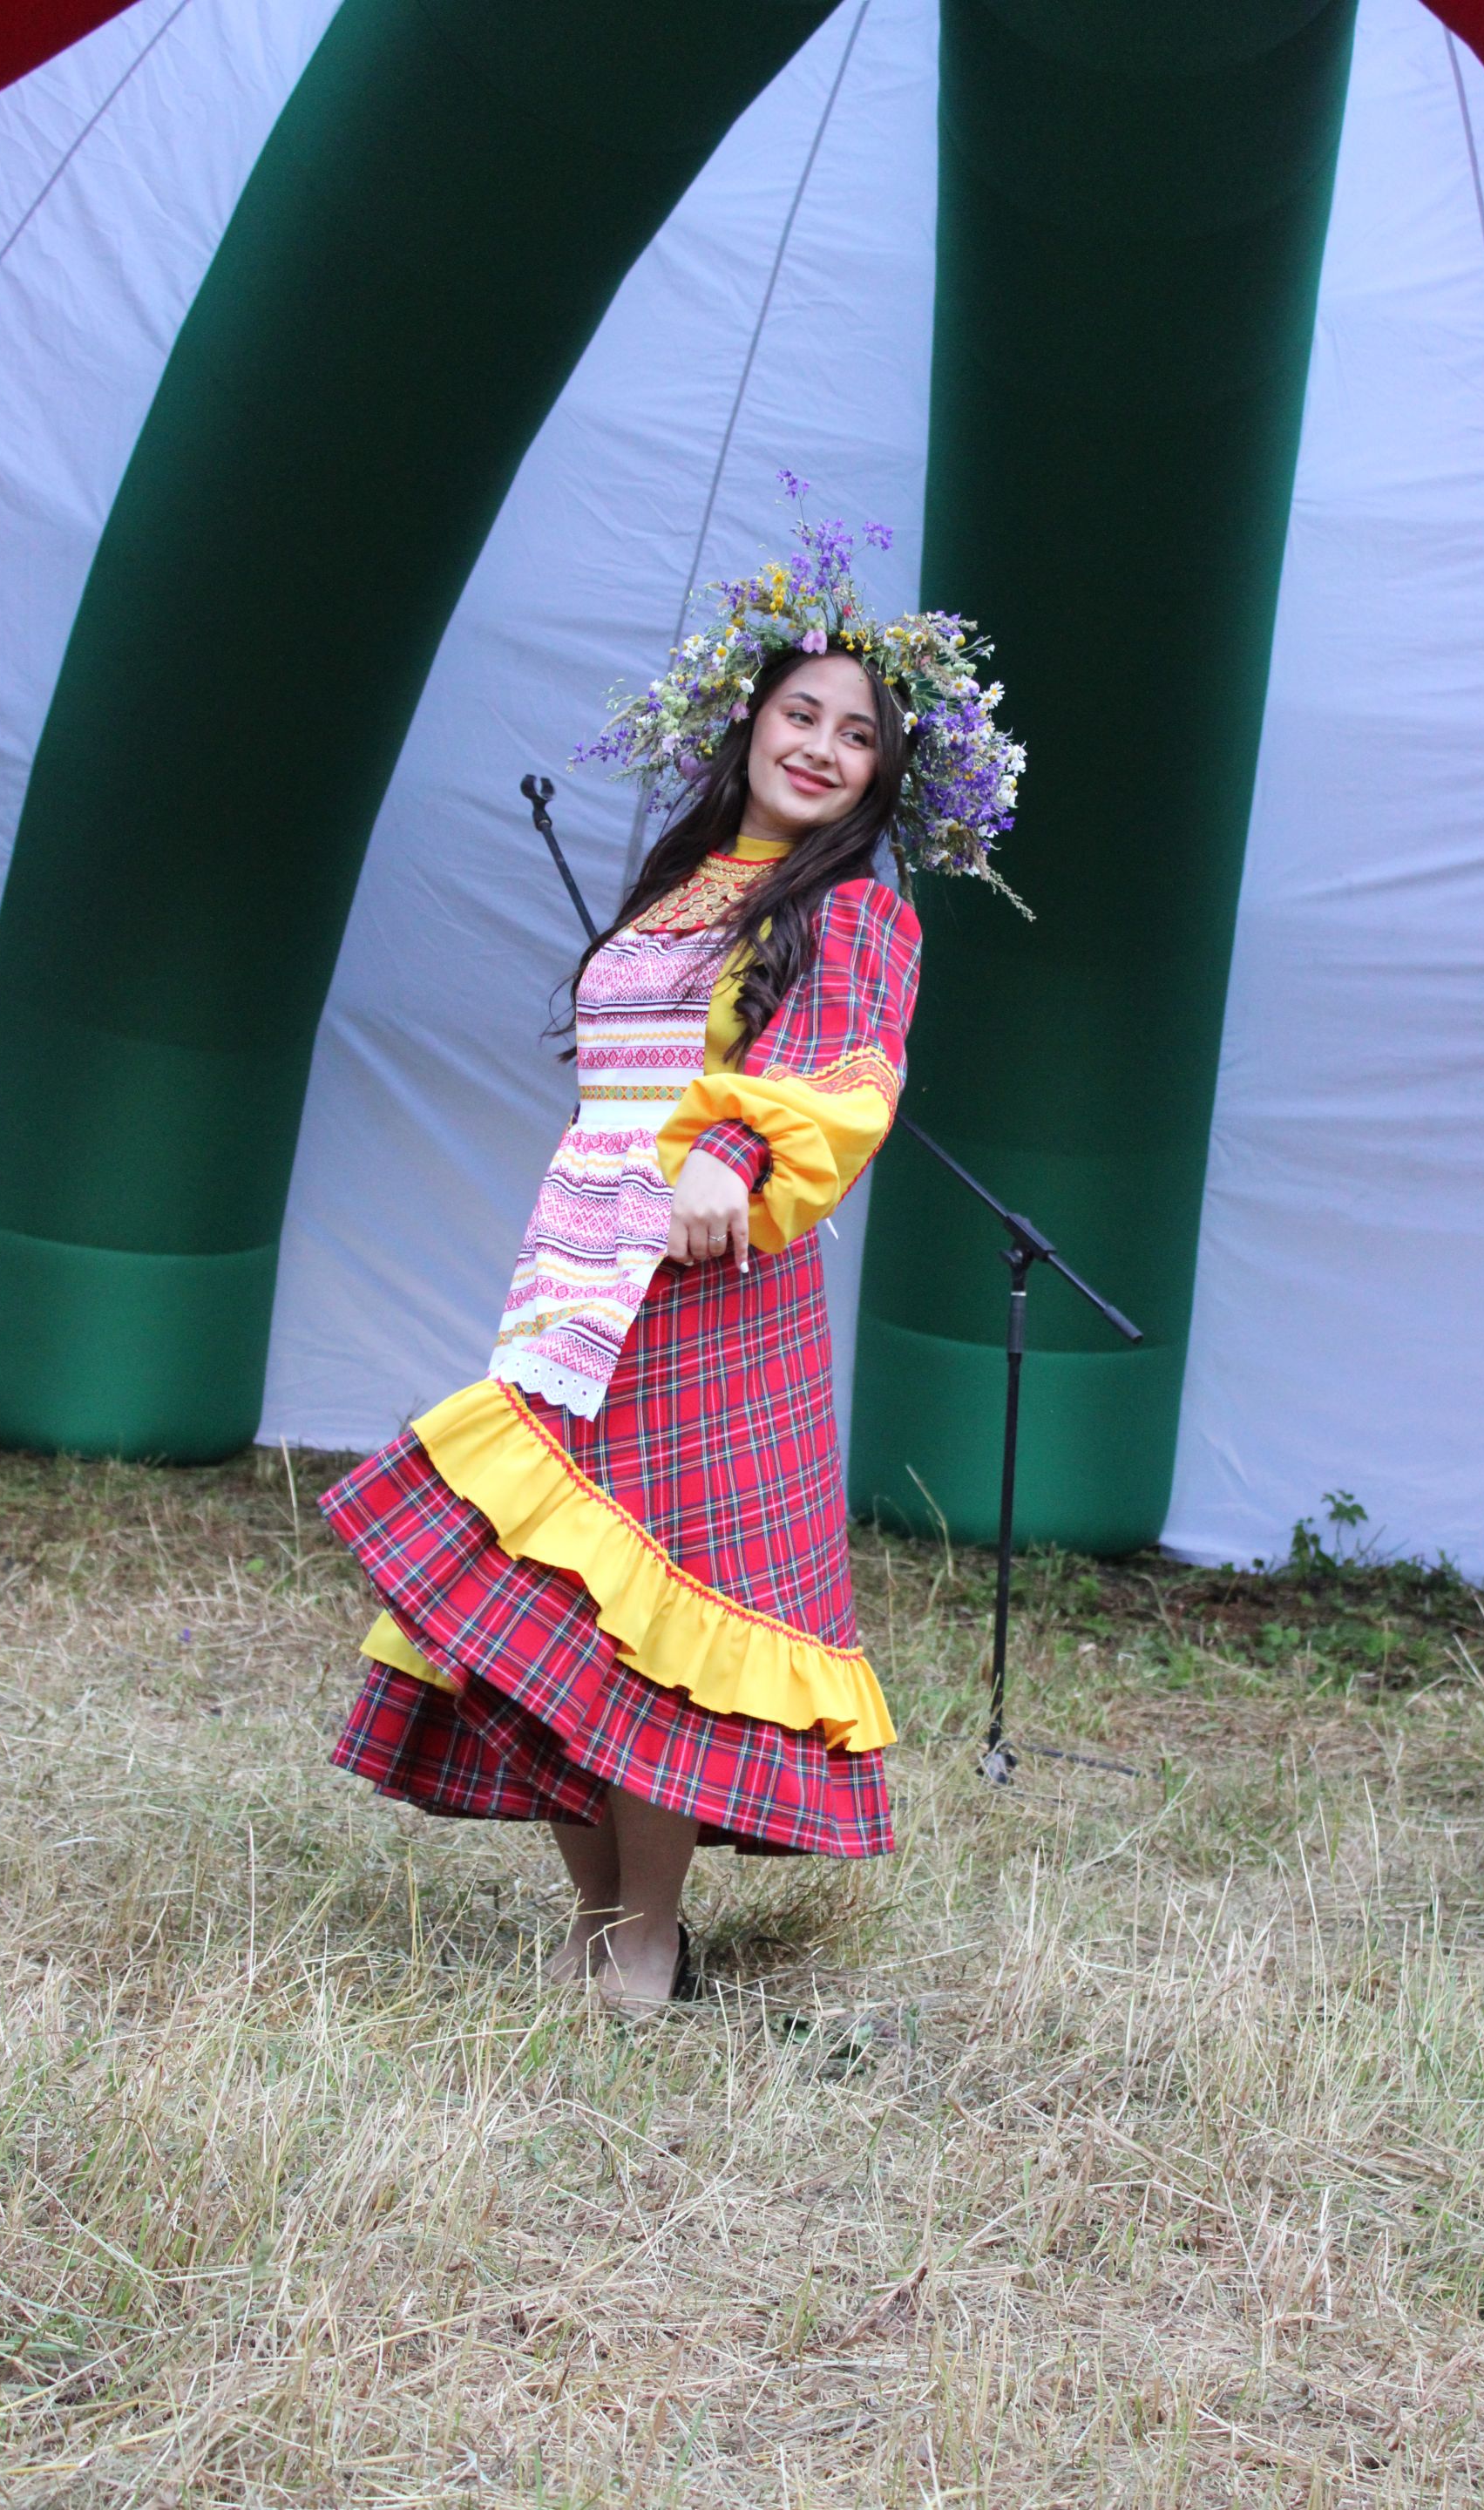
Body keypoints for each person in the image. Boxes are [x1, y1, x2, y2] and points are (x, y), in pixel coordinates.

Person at [322, 485, 1022, 2015]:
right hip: (579, 1270)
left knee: (656, 1613)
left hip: (712, 1285)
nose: (825, 747)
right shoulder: (677, 885)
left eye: (858, 738)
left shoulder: (857, 914)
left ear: (880, 782)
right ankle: (601, 1919)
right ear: (752, 719)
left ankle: (648, 1931)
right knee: (552, 1605)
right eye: (805, 713)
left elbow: (840, 1079)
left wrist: (724, 1153)